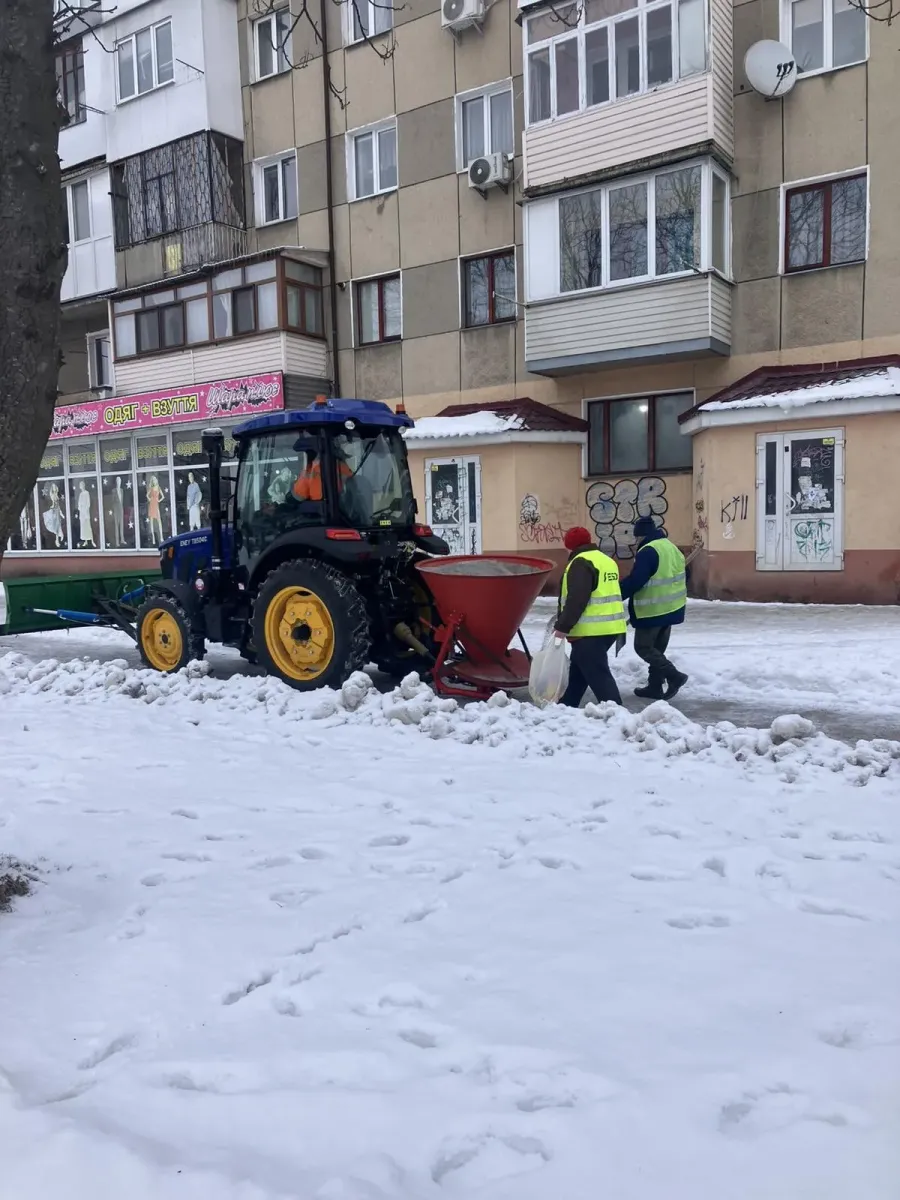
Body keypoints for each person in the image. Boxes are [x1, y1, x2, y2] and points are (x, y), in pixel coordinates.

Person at [554, 526, 627, 707]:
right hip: (610, 627)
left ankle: (616, 712)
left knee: (598, 674)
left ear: (570, 546)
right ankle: (567, 705)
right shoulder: (606, 560)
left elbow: (577, 599)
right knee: (579, 672)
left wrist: (562, 627)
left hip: (590, 631)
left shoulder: (581, 563)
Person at [619, 515, 689, 700]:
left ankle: (674, 676)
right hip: (672, 608)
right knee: (657, 649)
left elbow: (637, 580)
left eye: (636, 538)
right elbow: (685, 574)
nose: (636, 542)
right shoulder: (671, 547)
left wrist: (616, 595)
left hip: (653, 611)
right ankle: (655, 686)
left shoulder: (648, 551)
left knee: (643, 647)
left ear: (641, 536)